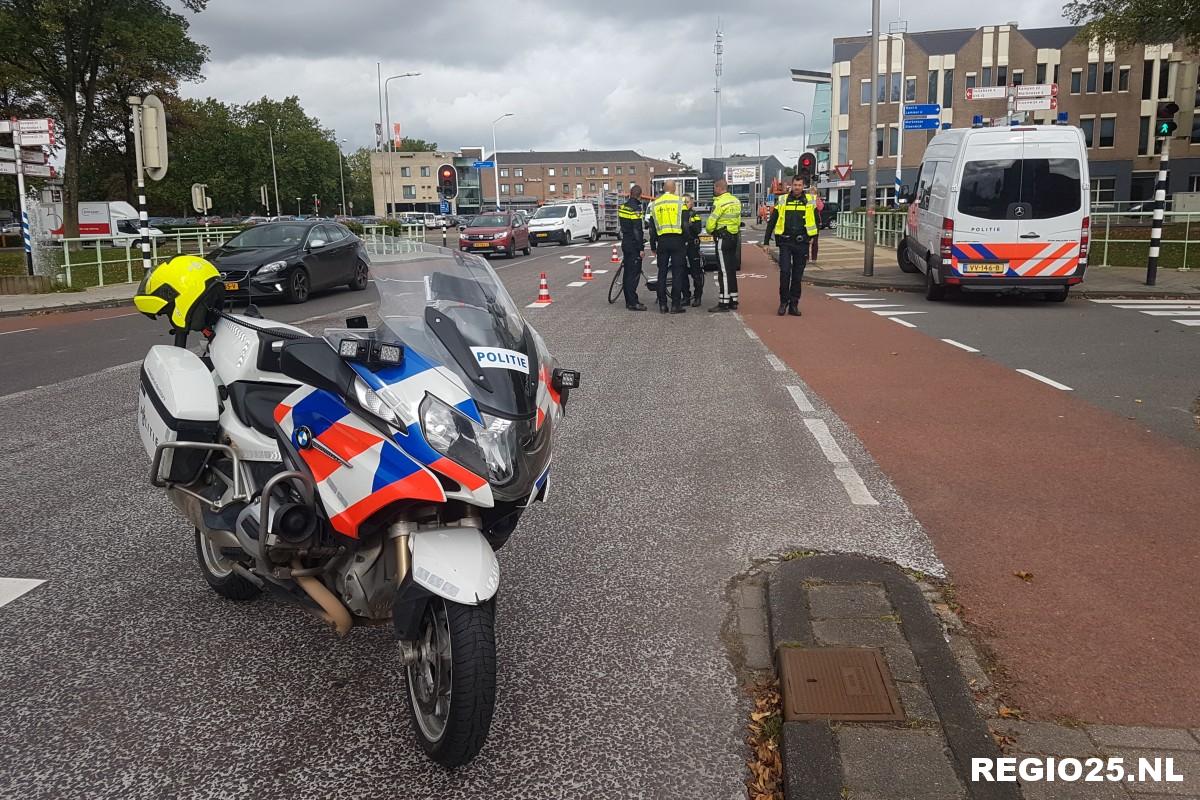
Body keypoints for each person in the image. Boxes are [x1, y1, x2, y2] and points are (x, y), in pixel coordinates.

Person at [763, 174, 818, 317]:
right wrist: (766, 241)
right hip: (785, 242)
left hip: (802, 243)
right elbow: (772, 221)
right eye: (795, 185)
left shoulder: (809, 200)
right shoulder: (782, 200)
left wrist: (813, 238)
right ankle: (783, 302)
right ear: (791, 185)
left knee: (797, 276)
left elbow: (816, 221)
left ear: (803, 186)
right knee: (785, 273)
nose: (797, 188)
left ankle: (794, 304)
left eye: (800, 185)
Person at [648, 180, 687, 313]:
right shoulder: (680, 202)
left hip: (662, 242)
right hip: (677, 241)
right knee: (677, 273)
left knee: (662, 273)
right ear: (674, 188)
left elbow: (652, 230)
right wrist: (686, 240)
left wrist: (653, 245)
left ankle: (662, 305)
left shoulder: (655, 204)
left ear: (664, 188)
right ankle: (676, 305)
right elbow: (685, 225)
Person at [705, 177, 742, 312]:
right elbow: (738, 221)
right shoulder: (736, 201)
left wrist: (710, 230)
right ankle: (734, 299)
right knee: (731, 269)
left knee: (724, 271)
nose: (714, 190)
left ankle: (724, 302)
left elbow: (710, 224)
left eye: (715, 188)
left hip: (722, 238)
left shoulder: (720, 203)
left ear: (720, 188)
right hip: (733, 237)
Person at [618, 184, 647, 310]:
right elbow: (637, 230)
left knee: (627, 273)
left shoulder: (623, 207)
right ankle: (633, 302)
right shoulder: (636, 209)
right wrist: (640, 248)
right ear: (640, 195)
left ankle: (628, 300)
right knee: (634, 275)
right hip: (634, 245)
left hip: (625, 242)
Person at [680, 194, 704, 308]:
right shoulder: (678, 214)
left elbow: (698, 230)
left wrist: (690, 224)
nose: (688, 204)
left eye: (688, 202)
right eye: (686, 202)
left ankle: (698, 296)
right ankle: (686, 296)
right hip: (681, 246)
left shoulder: (695, 215)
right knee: (682, 272)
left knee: (696, 272)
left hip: (692, 246)